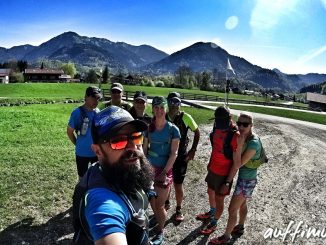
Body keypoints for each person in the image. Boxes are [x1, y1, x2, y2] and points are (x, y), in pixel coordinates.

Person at [72, 106, 154, 245]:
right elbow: (106, 220)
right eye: (117, 141)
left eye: (135, 137)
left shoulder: (119, 169)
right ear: (97, 151)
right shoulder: (101, 200)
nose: (132, 147)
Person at [209, 112, 262, 244]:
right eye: (239, 123)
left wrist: (238, 146)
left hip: (247, 181)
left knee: (232, 209)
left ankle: (226, 237)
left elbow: (237, 164)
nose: (241, 127)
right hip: (245, 179)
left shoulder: (253, 143)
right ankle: (240, 227)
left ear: (251, 126)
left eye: (245, 124)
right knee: (242, 204)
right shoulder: (245, 137)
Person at [196, 106, 241, 235]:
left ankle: (214, 222)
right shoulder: (216, 128)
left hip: (224, 174)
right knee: (210, 191)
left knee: (219, 198)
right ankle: (212, 211)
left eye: (224, 122)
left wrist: (227, 183)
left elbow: (236, 163)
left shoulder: (235, 135)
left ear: (230, 118)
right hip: (213, 169)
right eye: (219, 122)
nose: (222, 126)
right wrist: (210, 164)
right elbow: (215, 149)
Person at [143, 96, 180, 245]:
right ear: (153, 109)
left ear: (165, 109)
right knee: (152, 202)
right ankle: (159, 222)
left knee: (159, 204)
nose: (159, 111)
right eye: (156, 108)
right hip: (149, 168)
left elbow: (174, 153)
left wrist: (165, 171)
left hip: (165, 169)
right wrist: (144, 168)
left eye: (161, 108)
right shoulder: (148, 128)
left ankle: (160, 232)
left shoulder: (173, 130)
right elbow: (144, 150)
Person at [165, 92, 200, 222]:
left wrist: (193, 150)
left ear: (180, 103)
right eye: (171, 102)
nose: (174, 105)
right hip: (166, 156)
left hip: (180, 156)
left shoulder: (186, 117)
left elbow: (197, 131)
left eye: (177, 102)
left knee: (178, 185)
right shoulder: (163, 116)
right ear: (168, 103)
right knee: (166, 182)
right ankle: (166, 203)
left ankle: (179, 209)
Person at [67, 86, 101, 179]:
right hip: (82, 153)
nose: (96, 101)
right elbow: (70, 132)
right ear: (86, 97)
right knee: (82, 178)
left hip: (96, 153)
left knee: (96, 177)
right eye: (93, 98)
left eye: (98, 98)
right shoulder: (77, 112)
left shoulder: (98, 112)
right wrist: (77, 144)